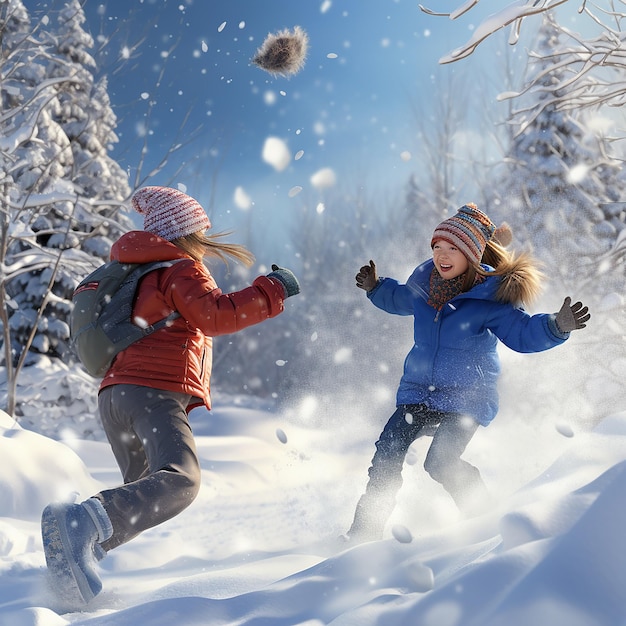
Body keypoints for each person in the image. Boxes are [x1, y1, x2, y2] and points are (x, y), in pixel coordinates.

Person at [41, 186, 300, 606]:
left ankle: (76, 553)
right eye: (200, 229)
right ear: (185, 232)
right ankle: (77, 527)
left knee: (142, 497)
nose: (204, 237)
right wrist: (272, 290)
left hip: (114, 396)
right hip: (152, 391)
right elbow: (215, 315)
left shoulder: (136, 272)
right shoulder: (179, 268)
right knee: (182, 480)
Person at [346, 203, 590, 543]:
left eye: (453, 249)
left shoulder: (490, 301)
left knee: (440, 463)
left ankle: (485, 521)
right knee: (387, 453)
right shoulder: (424, 288)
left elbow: (521, 334)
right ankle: (363, 533)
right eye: (437, 247)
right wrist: (376, 288)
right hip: (419, 393)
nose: (442, 256)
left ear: (473, 256)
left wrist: (555, 326)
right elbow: (398, 298)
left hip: (466, 399)